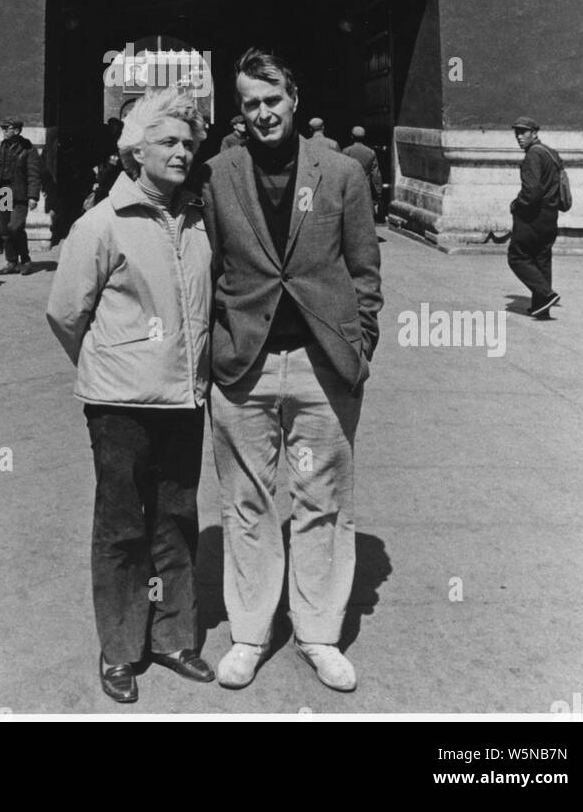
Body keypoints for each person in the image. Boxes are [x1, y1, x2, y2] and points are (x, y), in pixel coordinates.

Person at [198, 48, 382, 693]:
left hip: (321, 366)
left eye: (272, 100)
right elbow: (212, 267)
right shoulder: (219, 174)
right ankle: (250, 634)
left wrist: (361, 346)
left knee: (321, 502)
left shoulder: (340, 172)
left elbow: (364, 272)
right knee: (245, 503)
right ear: (238, 109)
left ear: (294, 100)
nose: (262, 113)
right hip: (242, 366)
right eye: (249, 103)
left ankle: (317, 632)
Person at [47, 88, 215, 704]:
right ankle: (120, 648)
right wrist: (113, 369)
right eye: (168, 142)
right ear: (134, 149)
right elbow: (66, 313)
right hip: (120, 407)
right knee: (121, 526)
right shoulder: (100, 224)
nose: (182, 152)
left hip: (183, 402)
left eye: (190, 143)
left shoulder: (196, 220)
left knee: (176, 519)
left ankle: (174, 638)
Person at [507, 117, 563, 318]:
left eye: (524, 132)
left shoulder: (533, 155)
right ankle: (542, 307)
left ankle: (546, 295)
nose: (519, 137)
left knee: (517, 257)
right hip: (551, 216)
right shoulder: (551, 153)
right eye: (517, 133)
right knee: (541, 259)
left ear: (535, 133)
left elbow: (532, 192)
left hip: (533, 218)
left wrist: (516, 204)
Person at [0, 119, 41, 276]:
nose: (3, 131)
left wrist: (33, 196)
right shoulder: (0, 146)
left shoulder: (28, 149)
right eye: (2, 128)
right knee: (4, 230)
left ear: (16, 130)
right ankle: (12, 262)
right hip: (4, 192)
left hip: (20, 193)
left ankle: (26, 260)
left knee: (15, 227)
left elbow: (34, 174)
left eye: (6, 128)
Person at [342, 125, 383, 215]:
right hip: (365, 187)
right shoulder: (371, 152)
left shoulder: (346, 151)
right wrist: (378, 191)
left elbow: (341, 172)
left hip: (349, 186)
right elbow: (375, 174)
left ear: (352, 136)